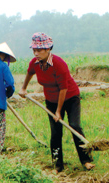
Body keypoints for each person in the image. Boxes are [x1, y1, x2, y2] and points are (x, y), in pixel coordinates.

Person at [19, 33, 95, 172]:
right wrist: (23, 88)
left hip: (70, 97)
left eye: (39, 50)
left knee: (74, 126)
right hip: (51, 100)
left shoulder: (59, 64)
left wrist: (59, 111)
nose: (36, 53)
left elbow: (63, 88)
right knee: (55, 132)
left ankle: (86, 160)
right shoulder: (34, 63)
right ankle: (58, 165)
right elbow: (29, 72)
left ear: (48, 49)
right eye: (34, 50)